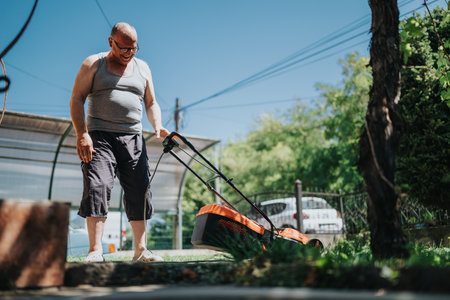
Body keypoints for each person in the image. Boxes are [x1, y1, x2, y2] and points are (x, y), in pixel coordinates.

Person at [70, 22, 169, 262]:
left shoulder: (142, 67)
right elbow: (76, 98)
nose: (129, 54)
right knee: (98, 186)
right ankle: (95, 251)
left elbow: (151, 102)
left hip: (133, 137)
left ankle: (141, 250)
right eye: (124, 48)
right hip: (99, 136)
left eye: (133, 48)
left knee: (140, 189)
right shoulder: (94, 63)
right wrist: (81, 133)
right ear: (110, 42)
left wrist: (157, 125)